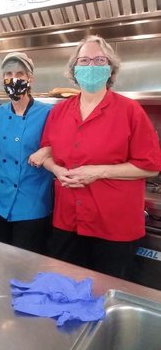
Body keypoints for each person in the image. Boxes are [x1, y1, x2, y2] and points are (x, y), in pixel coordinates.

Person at [38, 35, 161, 279]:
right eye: (84, 60)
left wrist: (98, 171)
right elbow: (47, 151)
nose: (91, 66)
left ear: (110, 68)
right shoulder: (60, 111)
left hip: (113, 226)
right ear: (74, 69)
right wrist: (55, 170)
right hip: (68, 221)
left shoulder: (130, 111)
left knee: (107, 297)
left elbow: (151, 166)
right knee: (66, 290)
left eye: (99, 60)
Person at [0, 52, 54, 254]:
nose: (14, 79)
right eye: (9, 74)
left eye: (20, 74)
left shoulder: (48, 113)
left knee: (26, 267)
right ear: (3, 79)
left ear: (30, 78)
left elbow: (63, 145)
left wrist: (47, 150)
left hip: (31, 204)